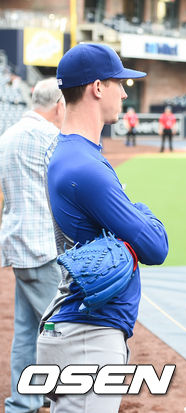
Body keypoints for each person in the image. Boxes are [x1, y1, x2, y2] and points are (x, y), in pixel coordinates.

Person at [36, 43, 169, 413]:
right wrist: (142, 212)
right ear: (97, 87)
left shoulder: (74, 153)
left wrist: (131, 214)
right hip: (86, 332)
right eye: (119, 82)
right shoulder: (85, 167)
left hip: (80, 327)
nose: (125, 92)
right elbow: (156, 246)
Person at [0, 77, 65, 413]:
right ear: (58, 105)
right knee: (64, 331)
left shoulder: (8, 134)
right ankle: (66, 402)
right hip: (42, 248)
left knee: (27, 331)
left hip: (17, 245)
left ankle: (23, 403)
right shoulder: (49, 135)